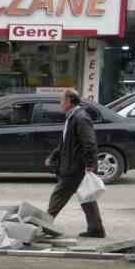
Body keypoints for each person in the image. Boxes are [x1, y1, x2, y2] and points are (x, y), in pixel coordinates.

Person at [43, 88, 105, 239]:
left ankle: (42, 226)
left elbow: (89, 143)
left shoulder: (80, 118)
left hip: (76, 167)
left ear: (69, 101)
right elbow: (66, 143)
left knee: (58, 196)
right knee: (87, 197)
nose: (60, 103)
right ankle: (96, 229)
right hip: (73, 165)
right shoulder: (72, 117)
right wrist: (54, 155)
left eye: (62, 100)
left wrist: (89, 164)